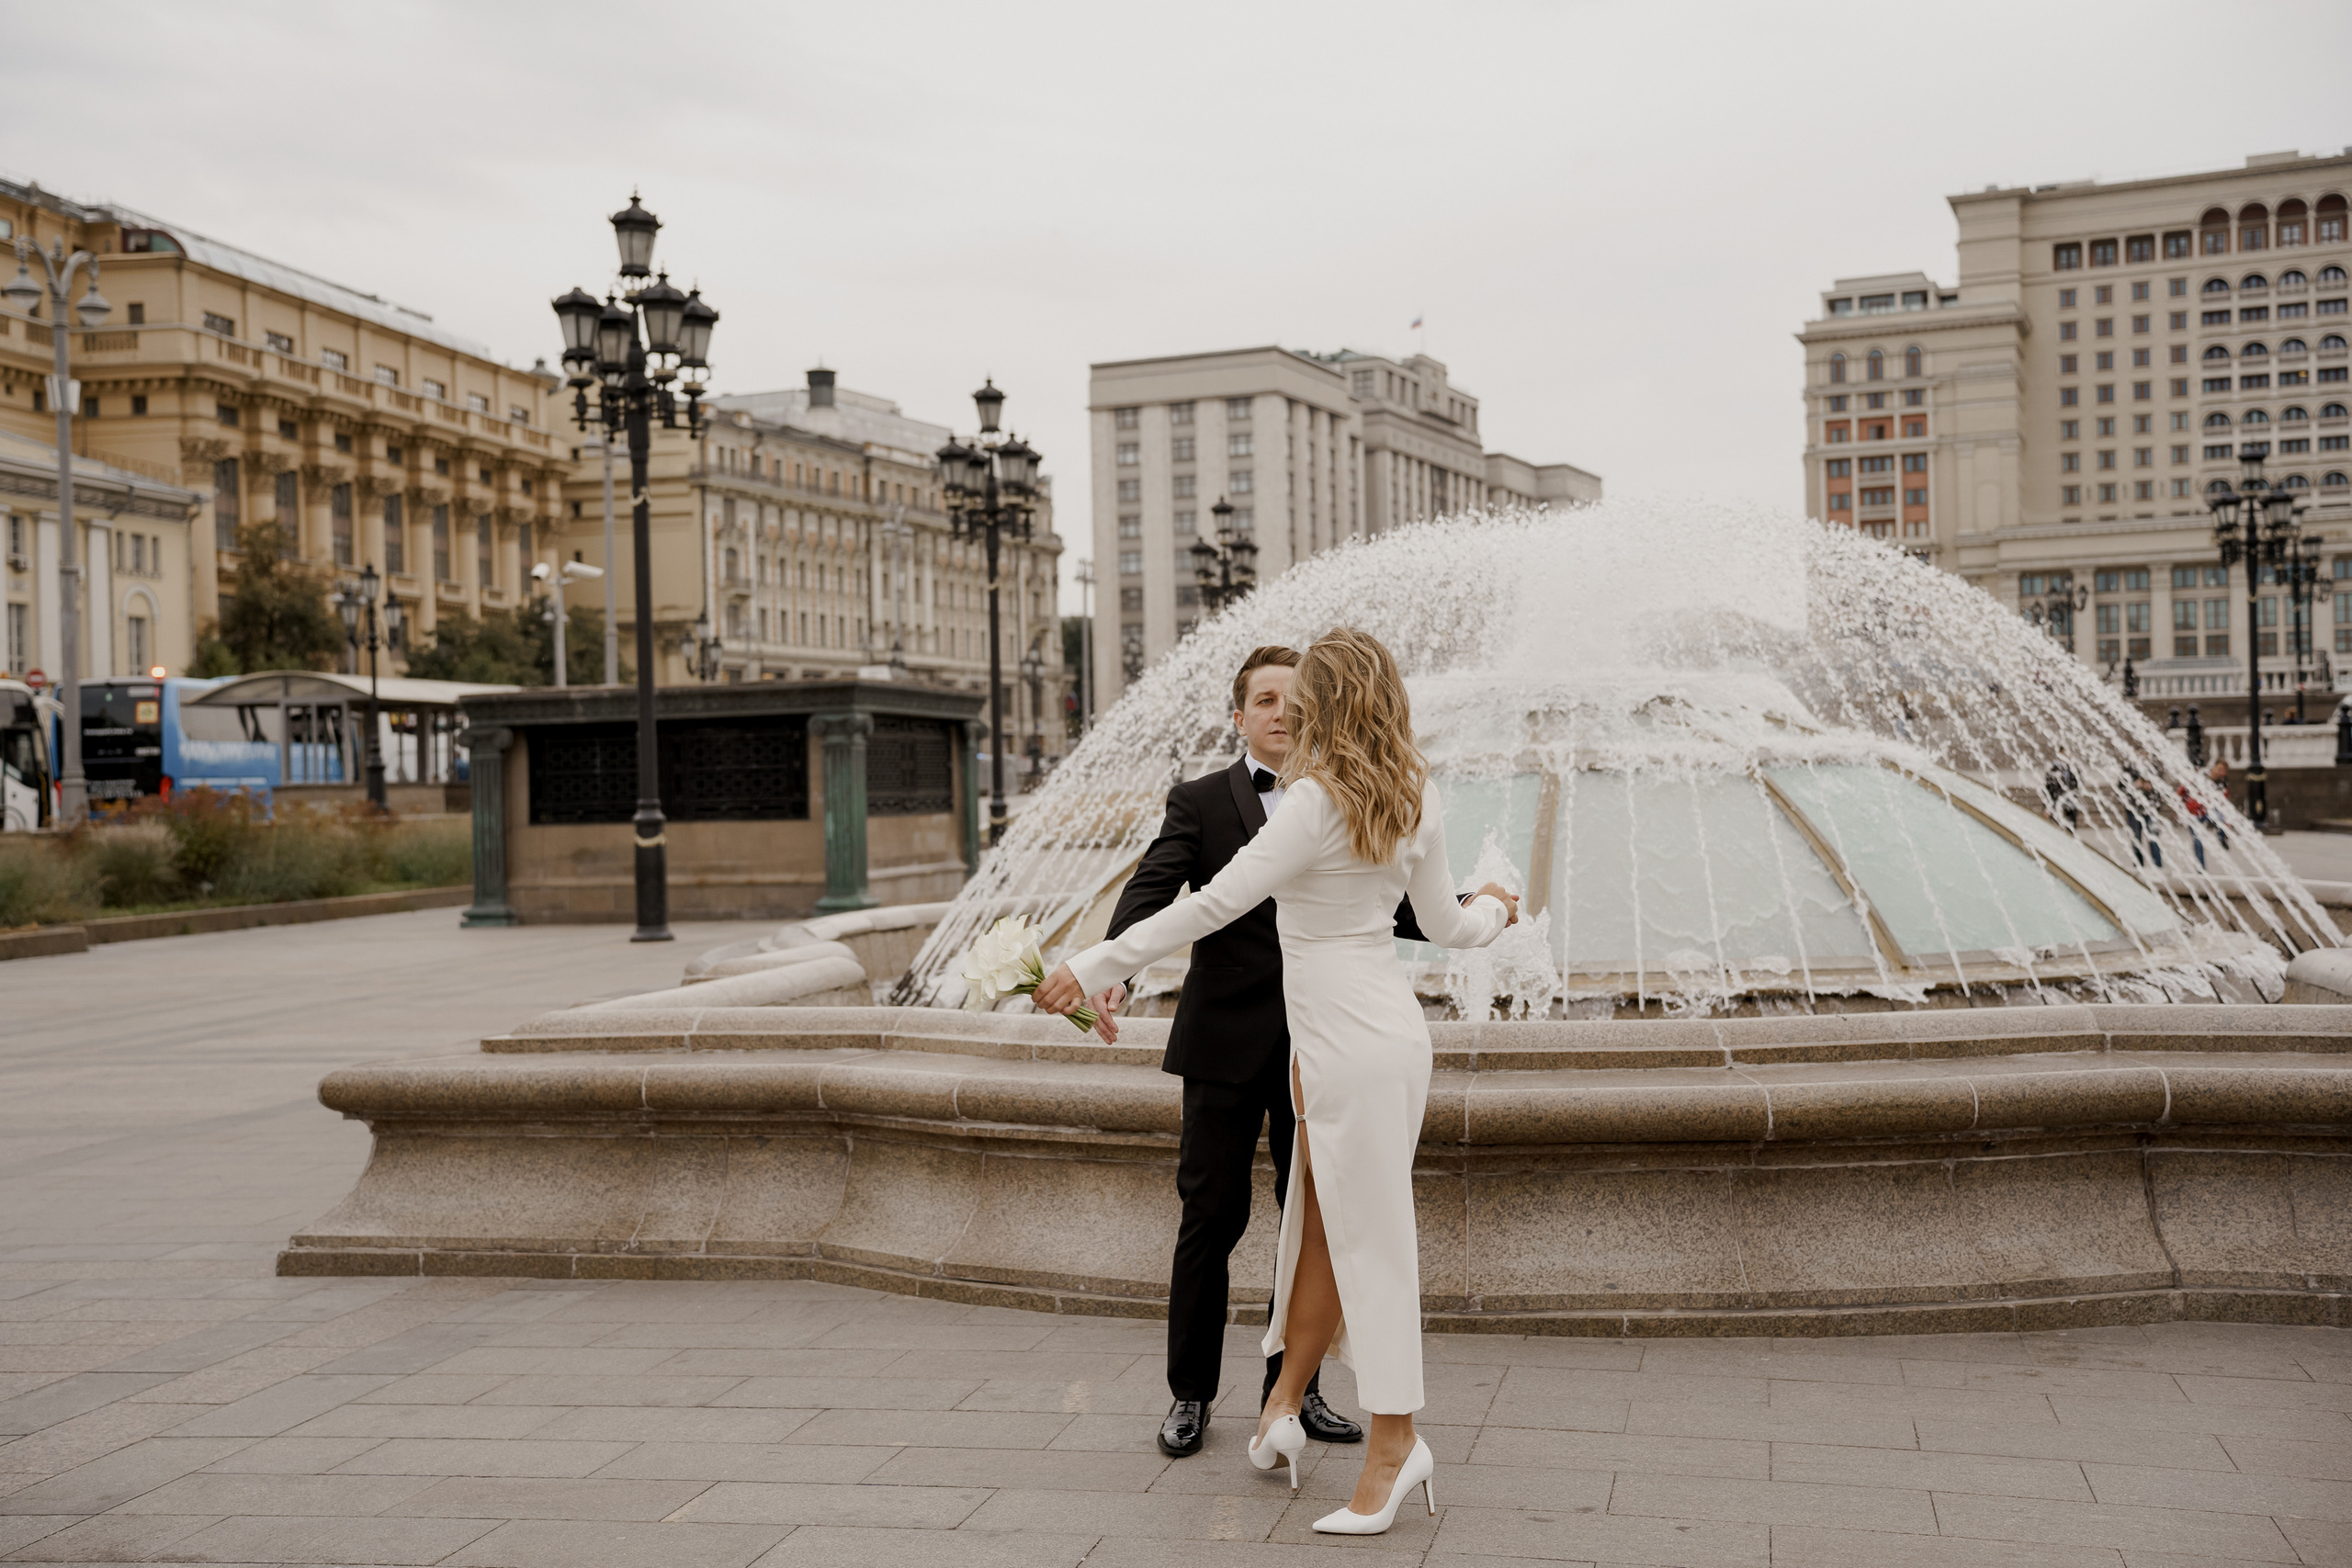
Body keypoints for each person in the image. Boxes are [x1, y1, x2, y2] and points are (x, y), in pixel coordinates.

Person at [1036, 627, 1516, 1535]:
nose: (1289, 709)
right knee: (1323, 1232)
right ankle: (1280, 1410)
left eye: (1306, 697)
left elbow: (1213, 902)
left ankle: (1394, 1447)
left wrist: (1093, 963)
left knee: (1371, 1246)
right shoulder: (1412, 789)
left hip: (1342, 1043)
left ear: (1329, 703)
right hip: (1375, 1036)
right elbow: (1449, 929)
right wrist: (1494, 906)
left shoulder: (1310, 801)